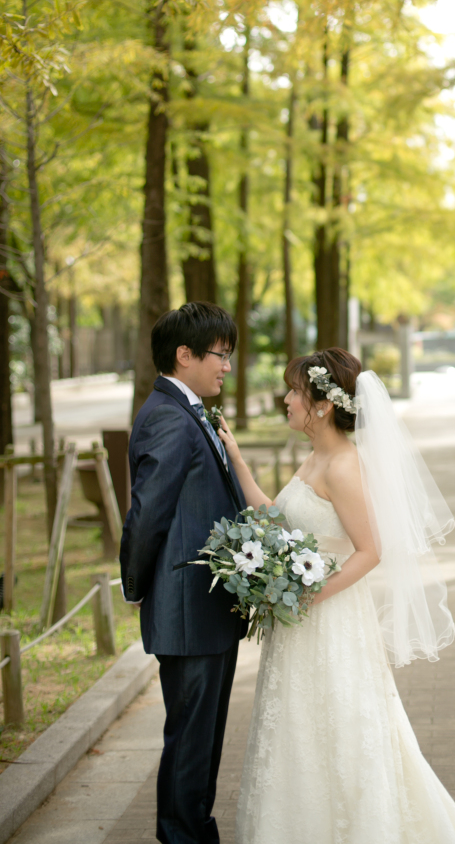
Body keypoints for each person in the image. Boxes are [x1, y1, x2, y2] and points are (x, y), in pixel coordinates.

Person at [217, 346, 455, 844]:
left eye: (295, 392)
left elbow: (371, 550)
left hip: (330, 617)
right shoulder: (315, 456)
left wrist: (308, 597)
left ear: (322, 405)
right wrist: (236, 461)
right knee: (297, 729)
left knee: (338, 728)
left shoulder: (342, 465)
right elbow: (279, 520)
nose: (286, 400)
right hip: (299, 617)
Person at [120, 301, 247, 844]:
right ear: (185, 355)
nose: (226, 366)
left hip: (207, 607)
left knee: (204, 741)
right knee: (191, 742)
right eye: (220, 355)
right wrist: (134, 584)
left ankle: (196, 829)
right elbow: (148, 513)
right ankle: (182, 836)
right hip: (188, 609)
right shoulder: (170, 417)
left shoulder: (189, 410)